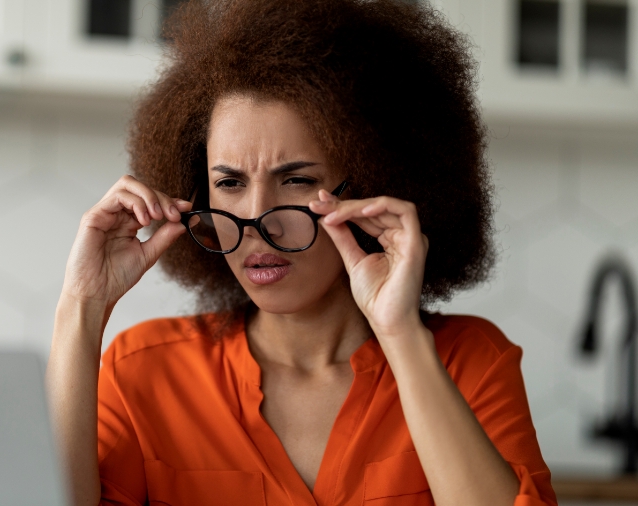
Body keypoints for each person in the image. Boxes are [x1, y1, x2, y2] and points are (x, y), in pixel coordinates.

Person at [47, 0, 557, 504]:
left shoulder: (471, 362)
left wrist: (399, 333)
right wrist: (83, 304)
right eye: (228, 182)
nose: (254, 221)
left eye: (296, 179)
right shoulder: (144, 372)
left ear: (375, 186)